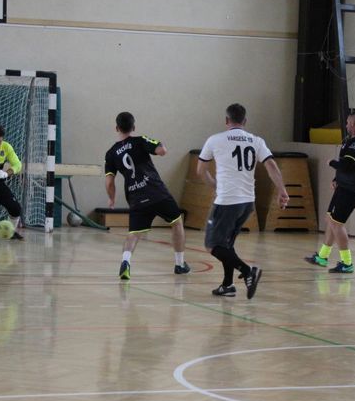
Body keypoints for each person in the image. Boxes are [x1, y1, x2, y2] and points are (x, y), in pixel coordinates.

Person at [196, 103, 289, 299]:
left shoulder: (215, 140)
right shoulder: (256, 140)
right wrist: (282, 190)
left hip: (227, 200)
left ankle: (248, 272)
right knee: (227, 244)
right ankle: (227, 285)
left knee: (212, 245)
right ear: (245, 121)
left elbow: (201, 171)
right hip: (247, 202)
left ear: (226, 120)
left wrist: (215, 186)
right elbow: (271, 166)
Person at [104, 112, 189, 280]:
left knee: (134, 233)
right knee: (176, 222)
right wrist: (159, 144)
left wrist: (112, 198)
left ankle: (125, 262)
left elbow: (109, 182)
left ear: (117, 128)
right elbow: (162, 150)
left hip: (136, 197)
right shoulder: (140, 140)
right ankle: (180, 264)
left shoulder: (111, 153)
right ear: (133, 127)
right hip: (156, 192)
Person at [305, 113, 355, 273]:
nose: (346, 126)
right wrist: (337, 178)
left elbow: (346, 165)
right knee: (331, 220)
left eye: (348, 123)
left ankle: (347, 263)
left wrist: (332, 163)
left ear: (354, 124)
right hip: (344, 186)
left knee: (337, 224)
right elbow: (349, 167)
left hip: (351, 190)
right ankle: (322, 256)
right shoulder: (352, 141)